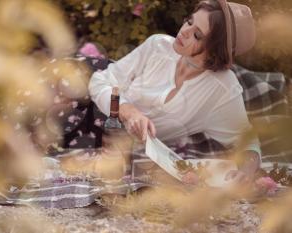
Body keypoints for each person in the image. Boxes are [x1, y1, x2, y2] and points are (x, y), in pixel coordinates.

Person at [88, 0, 261, 183]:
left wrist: (246, 172)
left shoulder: (222, 90)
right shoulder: (158, 45)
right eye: (189, 21)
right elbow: (99, 81)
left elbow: (247, 141)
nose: (184, 31)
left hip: (116, 146)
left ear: (215, 52)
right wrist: (129, 112)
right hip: (91, 108)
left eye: (196, 35)